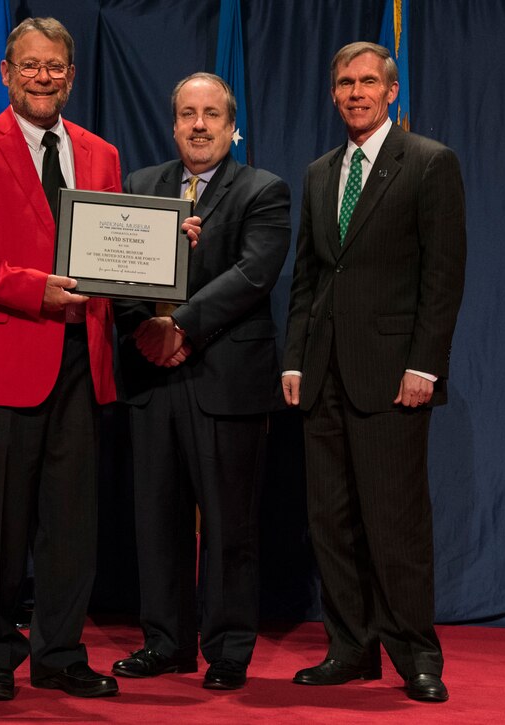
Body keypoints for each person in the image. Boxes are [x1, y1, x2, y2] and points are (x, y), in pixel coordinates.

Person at [0, 17, 199, 702]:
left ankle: (60, 652)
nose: (43, 77)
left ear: (72, 77)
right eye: (30, 65)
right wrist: (32, 290)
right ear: (6, 73)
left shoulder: (100, 153)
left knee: (73, 520)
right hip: (0, 361)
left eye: (56, 67)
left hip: (83, 362)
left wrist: (170, 251)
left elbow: (113, 249)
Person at [282, 42, 466, 703]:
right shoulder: (319, 172)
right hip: (323, 374)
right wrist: (295, 356)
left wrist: (425, 364)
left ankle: (416, 653)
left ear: (391, 91)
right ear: (333, 94)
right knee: (331, 521)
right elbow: (308, 275)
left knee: (395, 521)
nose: (356, 92)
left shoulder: (428, 163)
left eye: (368, 82)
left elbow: (442, 278)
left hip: (392, 375)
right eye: (344, 83)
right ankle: (350, 647)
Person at [110, 73, 291, 691]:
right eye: (187, 112)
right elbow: (115, 270)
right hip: (150, 377)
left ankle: (228, 648)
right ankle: (165, 642)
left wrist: (179, 328)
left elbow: (252, 275)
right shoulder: (139, 186)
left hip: (226, 379)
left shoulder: (263, 190)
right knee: (155, 519)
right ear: (173, 123)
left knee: (228, 523)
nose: (199, 124)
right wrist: (144, 328)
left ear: (232, 125)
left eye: (212, 113)